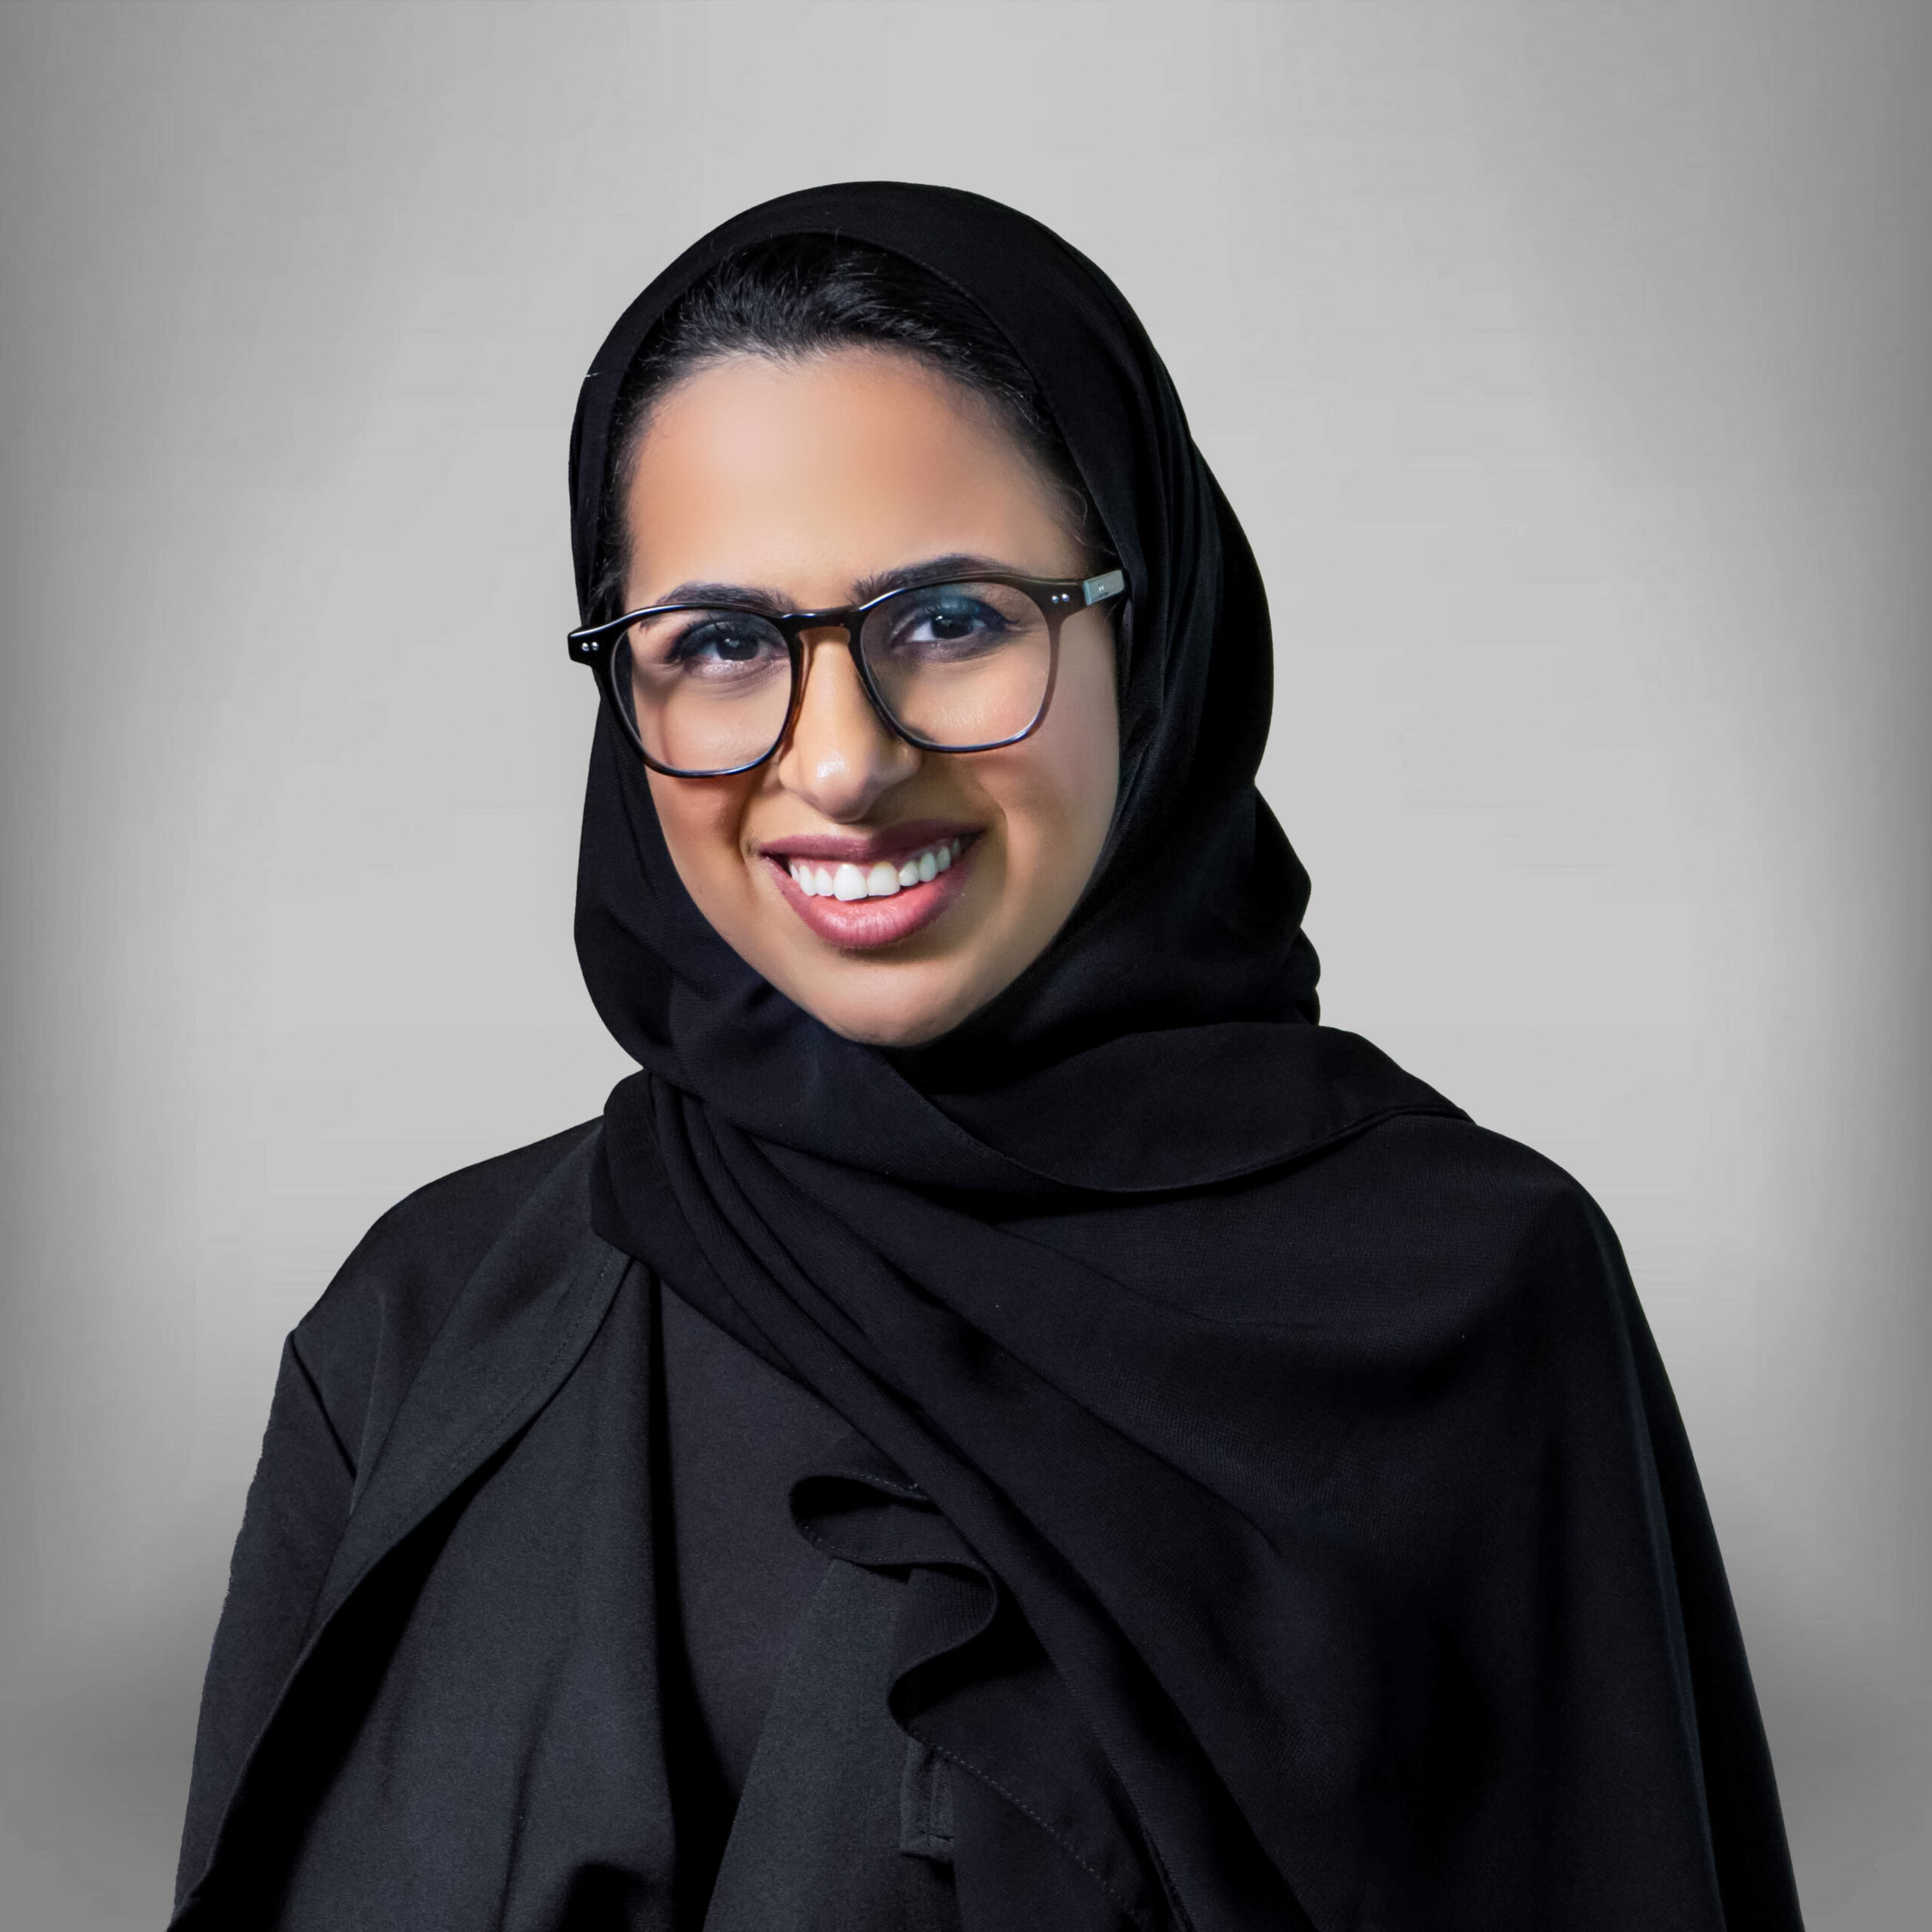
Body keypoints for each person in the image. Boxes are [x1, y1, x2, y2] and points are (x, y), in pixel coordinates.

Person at [170, 183, 1804, 1932]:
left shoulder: (1469, 1305)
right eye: (718, 643)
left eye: (949, 619)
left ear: (1144, 629)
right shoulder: (426, 1326)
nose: (839, 762)